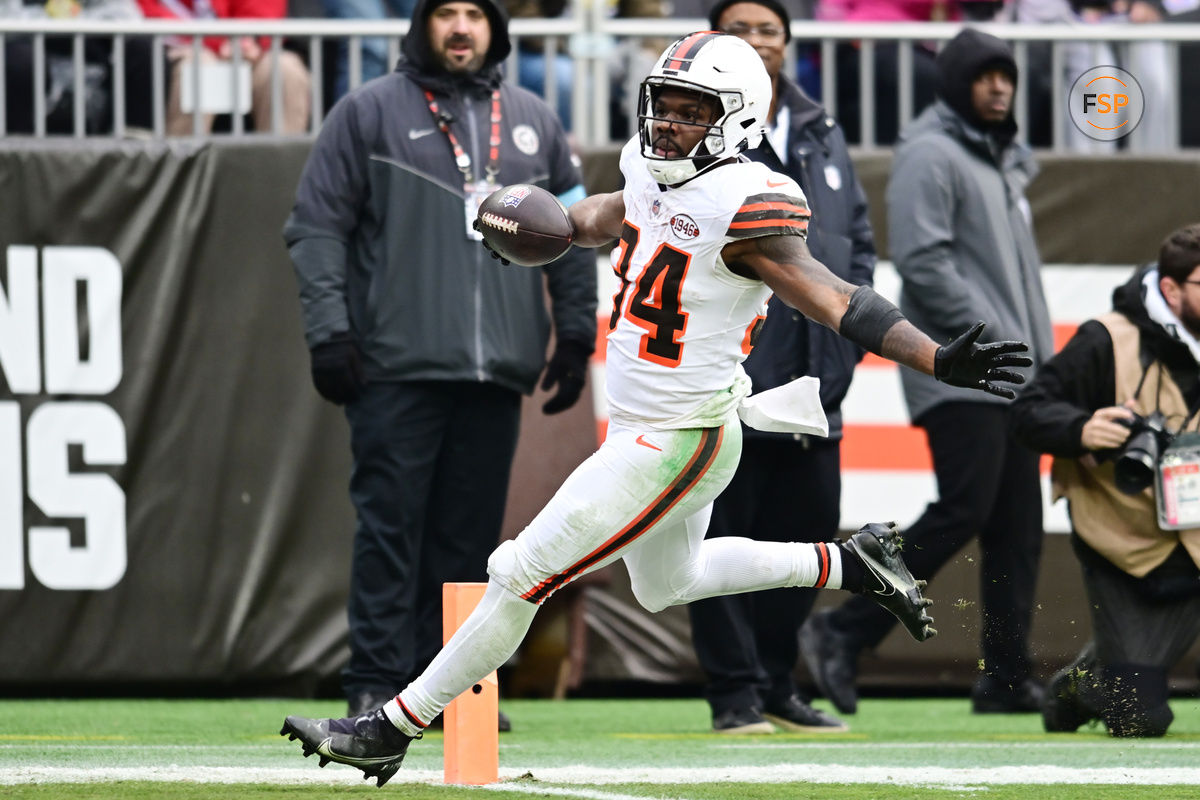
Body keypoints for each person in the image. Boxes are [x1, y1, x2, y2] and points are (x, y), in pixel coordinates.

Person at [279, 31, 1031, 786]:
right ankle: (848, 561)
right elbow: (614, 214)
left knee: (517, 571)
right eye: (661, 105)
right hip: (644, 426)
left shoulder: (750, 202)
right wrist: (549, 227)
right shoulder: (650, 168)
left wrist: (935, 355)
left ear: (736, 120)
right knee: (665, 584)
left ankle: (390, 725)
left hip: (682, 437)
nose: (668, 123)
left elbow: (835, 297)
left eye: (690, 111)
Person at [281, 0, 597, 724]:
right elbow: (316, 230)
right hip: (396, 365)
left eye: (475, 14)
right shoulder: (366, 112)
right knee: (390, 527)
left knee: (469, 541)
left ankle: (450, 691)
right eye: (446, 12)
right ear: (422, 24)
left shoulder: (535, 119)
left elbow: (575, 236)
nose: (461, 27)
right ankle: (376, 679)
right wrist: (330, 333)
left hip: (496, 373)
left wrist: (576, 337)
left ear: (497, 28)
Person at [799, 27, 1055, 716]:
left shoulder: (1003, 165)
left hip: (1010, 374)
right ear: (956, 84)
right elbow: (924, 264)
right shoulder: (930, 154)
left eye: (1007, 76)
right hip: (958, 368)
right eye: (984, 76)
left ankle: (1006, 675)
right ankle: (843, 629)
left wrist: (1040, 369)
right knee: (966, 507)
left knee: (1016, 526)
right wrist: (1000, 345)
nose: (1000, 87)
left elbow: (1019, 285)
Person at [684, 0, 876, 736]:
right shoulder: (696, 130)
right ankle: (733, 693)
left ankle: (776, 683)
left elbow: (855, 243)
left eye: (771, 30)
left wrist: (846, 347)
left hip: (815, 380)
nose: (758, 42)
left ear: (789, 44)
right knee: (719, 536)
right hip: (732, 379)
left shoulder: (821, 128)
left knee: (805, 537)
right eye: (742, 30)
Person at [1010, 223, 1200, 738]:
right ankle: (1079, 687)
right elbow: (1028, 411)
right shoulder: (1107, 337)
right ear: (1171, 289)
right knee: (1138, 717)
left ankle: (1116, 665)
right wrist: (1080, 428)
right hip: (1123, 538)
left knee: (1137, 682)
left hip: (1195, 532)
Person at [137, 0, 311, 135]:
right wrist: (220, 42)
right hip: (173, 48)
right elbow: (143, 12)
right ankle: (179, 175)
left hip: (239, 47)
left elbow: (261, 11)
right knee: (199, 66)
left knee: (285, 70)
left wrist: (248, 39)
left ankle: (283, 176)